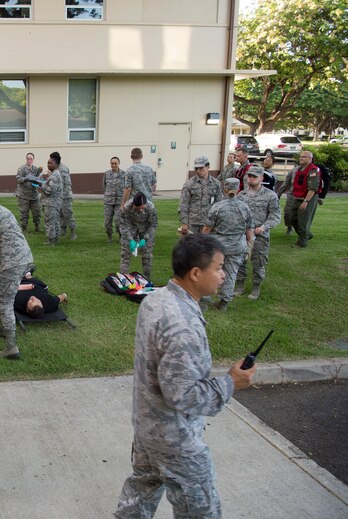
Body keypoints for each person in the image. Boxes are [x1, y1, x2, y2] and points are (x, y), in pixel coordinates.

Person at [113, 233, 256, 519]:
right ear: (195, 273)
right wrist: (230, 382)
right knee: (200, 511)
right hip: (175, 440)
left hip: (147, 428)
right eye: (218, 268)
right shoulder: (183, 325)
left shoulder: (156, 298)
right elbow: (184, 395)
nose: (223, 274)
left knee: (139, 495)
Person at [0, 182, 34, 359]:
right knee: (4, 295)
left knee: (4, 302)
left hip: (11, 262)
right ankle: (4, 329)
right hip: (24, 256)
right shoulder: (4, 210)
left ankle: (11, 347)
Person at [202, 178, 253, 311]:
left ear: (224, 189)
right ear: (238, 189)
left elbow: (207, 228)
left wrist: (202, 243)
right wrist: (249, 245)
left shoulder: (217, 207)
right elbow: (249, 230)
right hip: (237, 247)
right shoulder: (245, 207)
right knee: (231, 273)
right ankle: (224, 302)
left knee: (211, 271)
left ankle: (205, 300)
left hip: (218, 246)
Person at [235, 166, 281, 300]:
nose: (251, 178)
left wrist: (264, 227)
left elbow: (275, 215)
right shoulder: (241, 195)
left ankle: (256, 288)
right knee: (240, 261)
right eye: (249, 176)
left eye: (254, 176)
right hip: (242, 234)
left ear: (261, 178)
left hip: (260, 235)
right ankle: (240, 286)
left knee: (259, 262)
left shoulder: (270, 195)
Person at [177, 156, 222, 235]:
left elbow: (219, 204)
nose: (198, 171)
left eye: (201, 168)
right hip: (193, 223)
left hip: (209, 223)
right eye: (196, 168)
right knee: (192, 246)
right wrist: (184, 223)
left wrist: (217, 221)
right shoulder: (189, 184)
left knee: (208, 246)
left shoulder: (216, 184)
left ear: (208, 166)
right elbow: (183, 204)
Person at [286, 150, 321, 248]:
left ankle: (302, 243)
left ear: (310, 159)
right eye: (301, 156)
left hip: (308, 198)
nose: (301, 158)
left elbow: (313, 188)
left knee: (303, 221)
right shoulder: (299, 169)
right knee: (291, 217)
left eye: (304, 157)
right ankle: (307, 235)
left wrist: (306, 201)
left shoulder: (313, 170)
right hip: (297, 196)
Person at [119, 193, 158, 280]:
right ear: (134, 205)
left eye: (142, 208)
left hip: (145, 228)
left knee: (147, 254)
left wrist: (145, 238)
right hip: (131, 227)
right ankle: (123, 278)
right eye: (137, 208)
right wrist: (130, 240)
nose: (140, 210)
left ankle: (147, 278)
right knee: (125, 253)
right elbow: (123, 225)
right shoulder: (127, 207)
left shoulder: (151, 208)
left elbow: (153, 225)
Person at [38, 154, 63, 246]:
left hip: (51, 203)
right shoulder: (53, 174)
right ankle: (55, 239)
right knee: (55, 221)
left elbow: (50, 190)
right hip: (53, 202)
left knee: (50, 222)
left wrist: (41, 185)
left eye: (51, 163)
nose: (48, 165)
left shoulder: (54, 176)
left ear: (56, 164)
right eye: (48, 163)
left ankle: (51, 240)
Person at [52, 152, 77, 240]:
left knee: (68, 214)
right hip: (58, 196)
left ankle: (73, 233)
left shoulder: (63, 169)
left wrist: (62, 195)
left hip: (65, 196)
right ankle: (63, 230)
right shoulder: (55, 168)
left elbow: (67, 183)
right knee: (60, 215)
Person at [15, 152, 42, 232]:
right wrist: (26, 178)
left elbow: (38, 179)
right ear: (26, 159)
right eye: (28, 158)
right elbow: (18, 179)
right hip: (23, 195)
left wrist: (39, 181)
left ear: (33, 159)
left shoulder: (36, 169)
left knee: (36, 212)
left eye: (31, 159)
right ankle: (24, 228)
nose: (29, 160)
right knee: (24, 213)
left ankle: (37, 226)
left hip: (34, 195)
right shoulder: (22, 168)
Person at [103, 156, 126, 243]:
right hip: (108, 201)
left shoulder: (124, 174)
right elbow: (104, 186)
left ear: (119, 164)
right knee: (107, 221)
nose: (113, 165)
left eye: (115, 163)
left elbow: (127, 187)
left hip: (119, 201)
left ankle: (121, 237)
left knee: (118, 221)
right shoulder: (106, 174)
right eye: (112, 163)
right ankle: (109, 237)